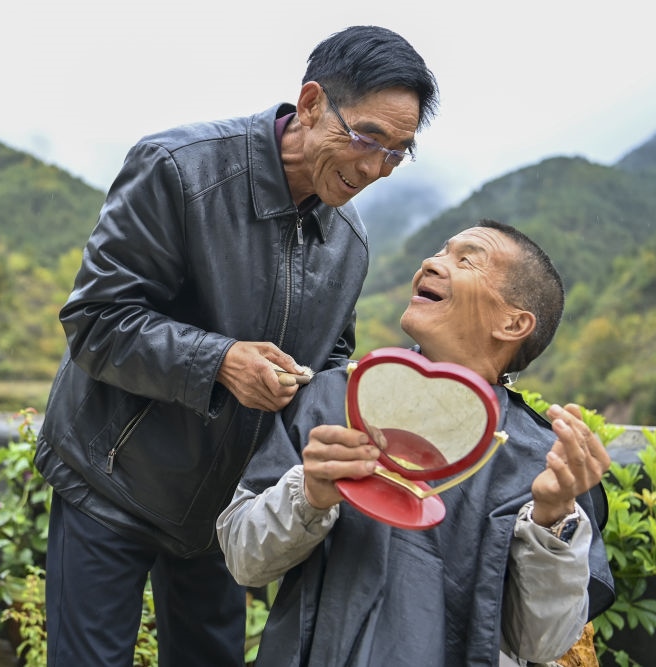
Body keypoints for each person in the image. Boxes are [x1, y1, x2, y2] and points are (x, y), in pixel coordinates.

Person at [32, 25, 439, 667]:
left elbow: (330, 362)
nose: (373, 168)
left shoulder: (349, 240)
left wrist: (355, 407)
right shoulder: (178, 169)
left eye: (395, 153)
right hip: (110, 481)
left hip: (222, 511)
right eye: (365, 138)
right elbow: (96, 320)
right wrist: (220, 361)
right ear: (311, 104)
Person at [216, 219, 617, 666]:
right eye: (440, 251)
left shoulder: (539, 460)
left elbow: (542, 643)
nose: (431, 263)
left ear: (513, 322)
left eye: (466, 260)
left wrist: (553, 516)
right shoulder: (334, 398)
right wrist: (310, 493)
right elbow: (242, 558)